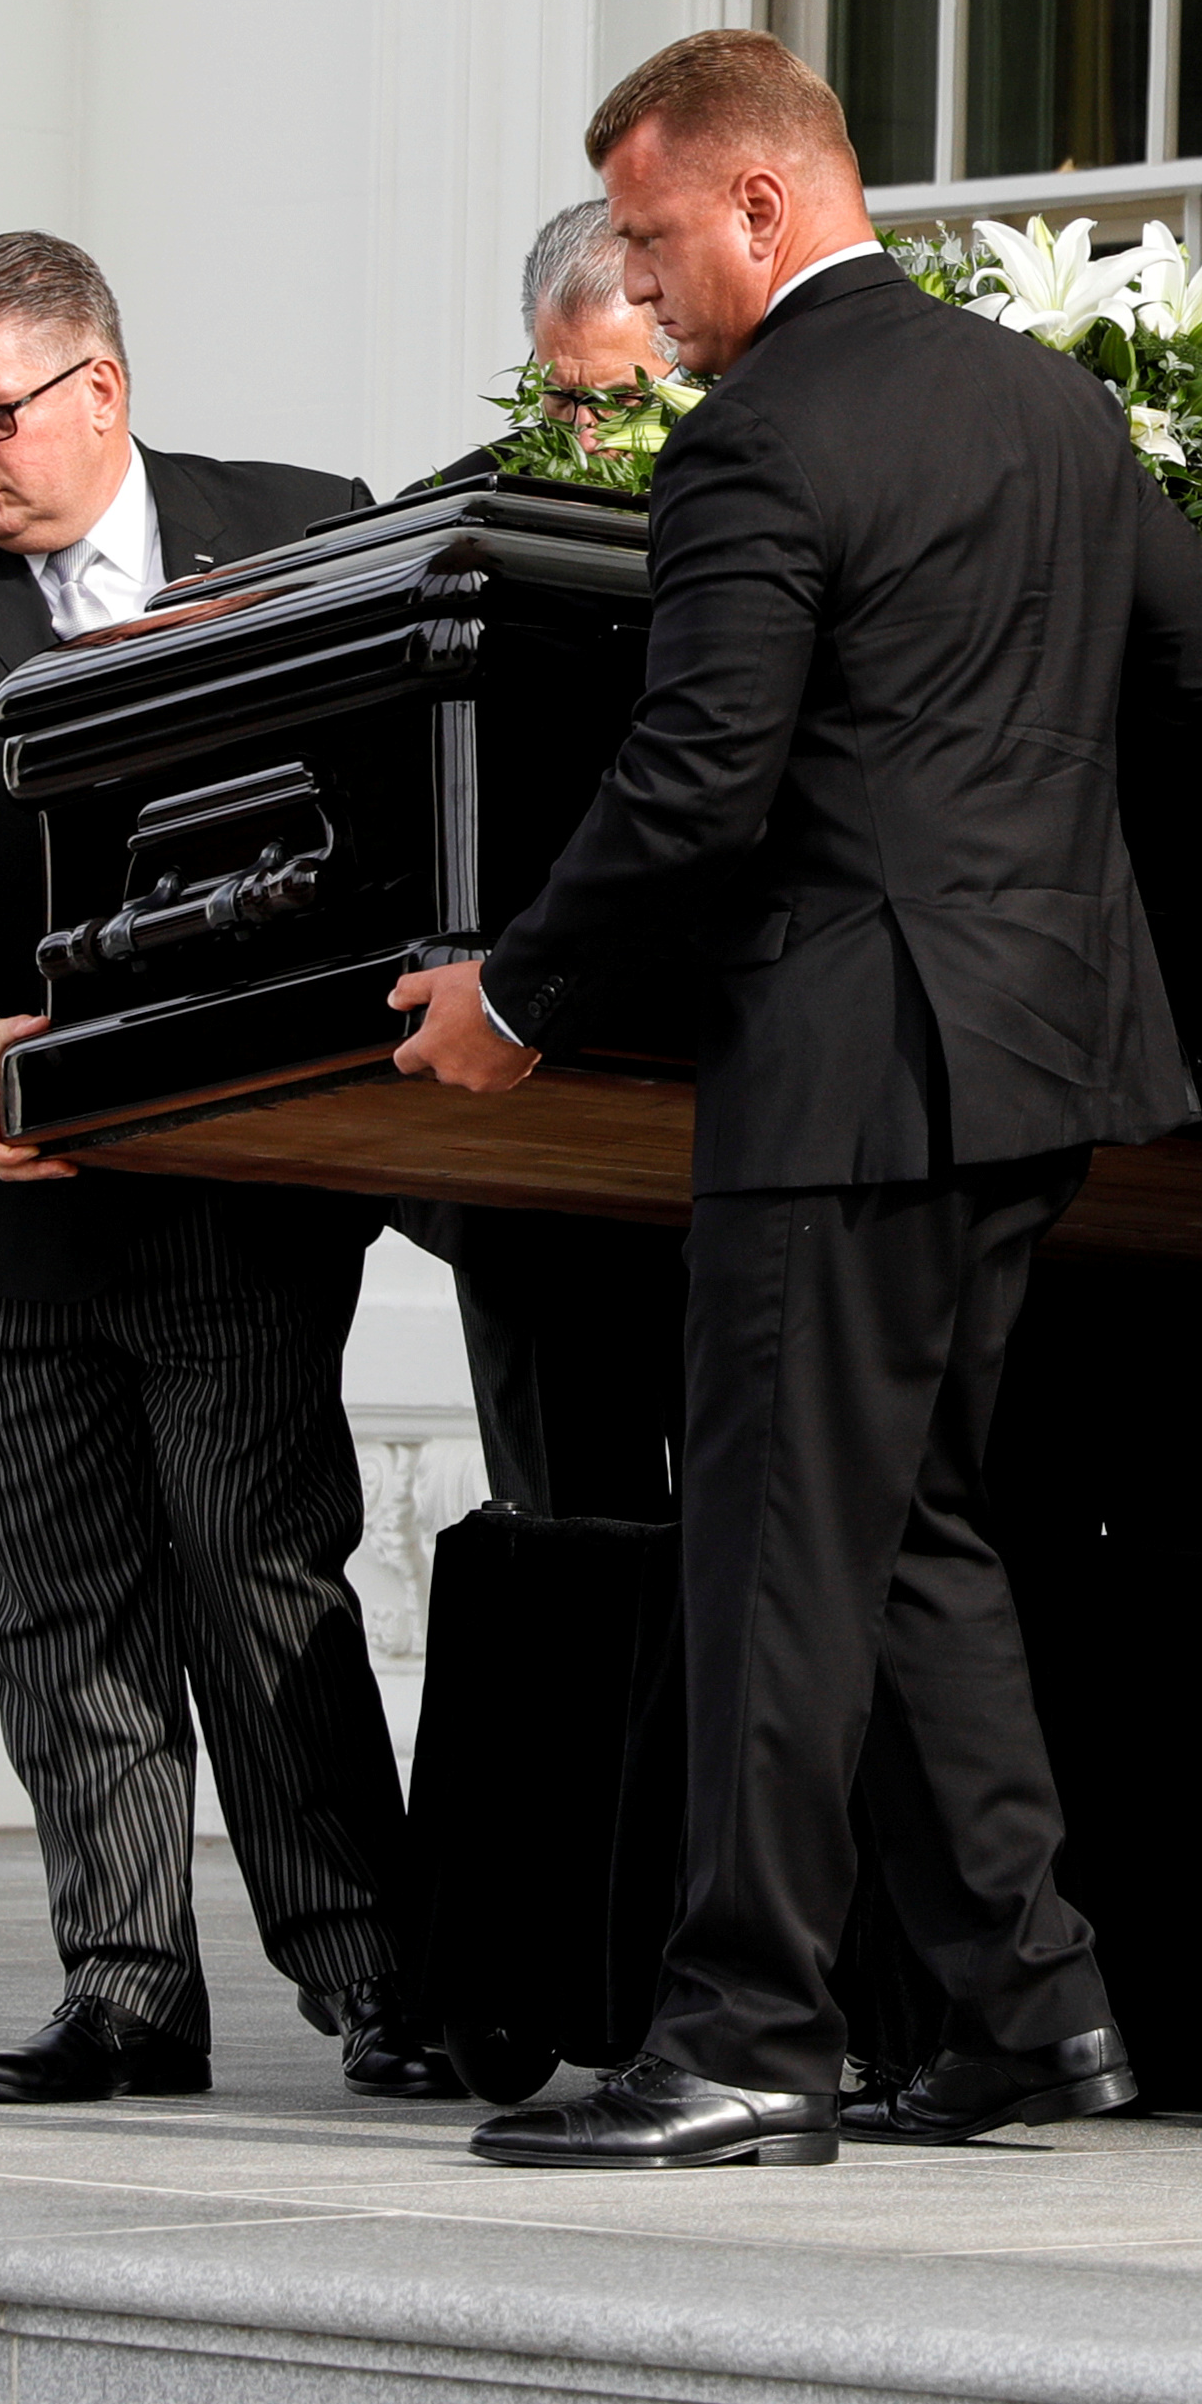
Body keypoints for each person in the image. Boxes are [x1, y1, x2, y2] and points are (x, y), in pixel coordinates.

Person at [391, 30, 1202, 2168]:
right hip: (1038, 1055)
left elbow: (693, 790)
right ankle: (1027, 2010)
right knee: (914, 1533)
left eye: (654, 230)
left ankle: (748, 2033)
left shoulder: (759, 437)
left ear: (763, 205)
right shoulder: (1052, 404)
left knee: (781, 1548)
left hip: (848, 1069)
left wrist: (512, 988)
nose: (641, 272)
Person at [0, 231, 443, 2105]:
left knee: (264, 1577)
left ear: (105, 390)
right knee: (60, 1602)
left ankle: (373, 1973)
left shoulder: (308, 528)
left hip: (236, 1176)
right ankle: (131, 1981)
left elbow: (387, 800)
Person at [393, 200, 692, 1524]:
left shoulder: (774, 510)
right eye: (556, 398)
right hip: (528, 1134)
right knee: (571, 1528)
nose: (582, 438)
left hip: (714, 1089)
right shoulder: (448, 528)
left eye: (621, 401)